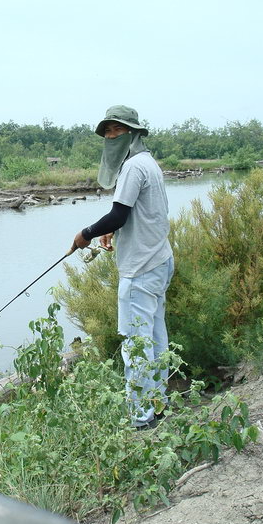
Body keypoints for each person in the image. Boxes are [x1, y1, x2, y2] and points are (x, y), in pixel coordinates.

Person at [71, 105, 174, 429]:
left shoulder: (132, 167)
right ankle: (159, 406)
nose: (111, 136)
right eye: (107, 132)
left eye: (117, 130)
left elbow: (118, 214)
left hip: (141, 269)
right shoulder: (148, 162)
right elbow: (133, 214)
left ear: (133, 131)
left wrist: (86, 234)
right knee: (155, 338)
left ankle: (140, 418)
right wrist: (114, 230)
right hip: (159, 260)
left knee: (135, 343)